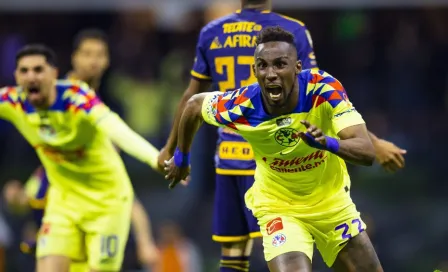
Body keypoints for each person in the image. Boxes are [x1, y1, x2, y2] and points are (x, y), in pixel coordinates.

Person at [158, 0, 403, 270]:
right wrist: (180, 157)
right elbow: (194, 105)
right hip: (279, 207)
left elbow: (366, 152)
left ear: (298, 68)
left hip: (332, 204)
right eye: (263, 66)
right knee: (238, 258)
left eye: (280, 65)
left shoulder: (323, 89)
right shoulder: (243, 104)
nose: (271, 74)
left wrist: (327, 143)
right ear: (255, 72)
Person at [0, 44, 160, 272]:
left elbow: (117, 130)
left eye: (38, 70)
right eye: (24, 71)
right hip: (64, 204)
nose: (31, 77)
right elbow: (25, 200)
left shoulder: (76, 98)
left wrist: (155, 158)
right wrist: (16, 198)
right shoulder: (13, 102)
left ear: (54, 74)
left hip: (107, 204)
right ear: (15, 76)